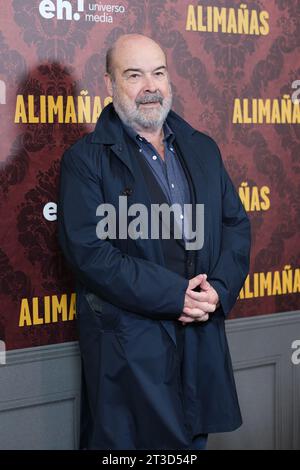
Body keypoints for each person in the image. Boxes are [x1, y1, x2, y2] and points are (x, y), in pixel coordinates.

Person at [58, 33, 251, 450]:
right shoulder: (85, 160)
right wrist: (176, 295)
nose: (151, 86)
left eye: (159, 73)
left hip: (200, 342)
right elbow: (90, 252)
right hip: (131, 351)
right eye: (134, 74)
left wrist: (217, 291)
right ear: (109, 84)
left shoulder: (203, 149)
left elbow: (235, 224)